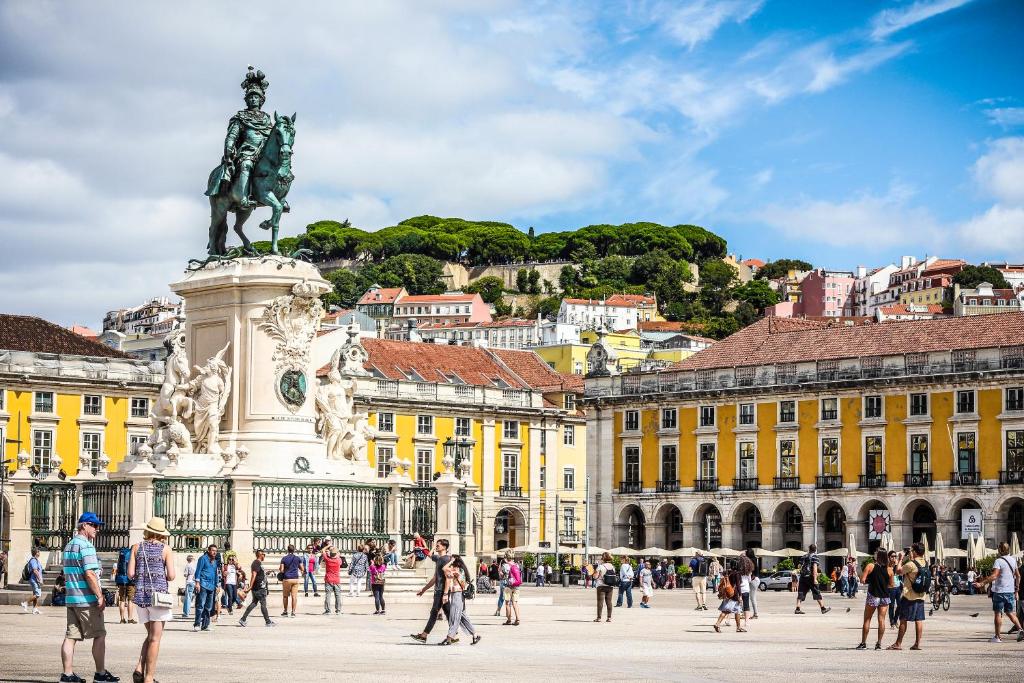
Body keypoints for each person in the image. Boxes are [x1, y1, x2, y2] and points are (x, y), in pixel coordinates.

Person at [60, 512, 119, 683]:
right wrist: (99, 596)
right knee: (99, 634)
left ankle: (67, 674)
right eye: (94, 525)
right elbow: (90, 574)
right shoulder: (86, 546)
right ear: (84, 525)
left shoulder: (69, 546)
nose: (97, 529)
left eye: (97, 526)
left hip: (72, 598)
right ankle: (100, 674)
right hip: (86, 600)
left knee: (70, 637)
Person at [127, 517, 174, 683]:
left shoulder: (135, 548)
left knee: (150, 636)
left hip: (141, 597)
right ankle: (149, 678)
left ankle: (140, 666)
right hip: (158, 599)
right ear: (161, 533)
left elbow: (130, 574)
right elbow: (172, 575)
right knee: (155, 639)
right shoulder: (165, 549)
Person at [973, 541, 1023, 643]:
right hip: (1010, 591)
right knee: (1010, 612)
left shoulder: (998, 561)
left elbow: (994, 575)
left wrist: (982, 583)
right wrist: (1016, 588)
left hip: (1000, 591)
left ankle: (997, 637)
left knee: (998, 613)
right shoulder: (1013, 560)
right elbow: (1018, 576)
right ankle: (1020, 629)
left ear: (1000, 550)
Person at [410, 538, 453, 643]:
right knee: (449, 613)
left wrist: (445, 593)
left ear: (444, 547)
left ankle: (424, 635)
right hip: (439, 590)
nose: (437, 546)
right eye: (437, 545)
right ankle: (454, 635)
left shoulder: (446, 559)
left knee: (435, 612)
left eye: (438, 545)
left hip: (442, 591)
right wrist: (424, 589)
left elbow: (448, 578)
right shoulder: (439, 559)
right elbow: (434, 578)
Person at [889, 542, 928, 650]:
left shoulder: (911, 564)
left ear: (915, 552)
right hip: (921, 596)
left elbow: (898, 571)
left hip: (909, 596)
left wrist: (900, 559)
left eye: (912, 550)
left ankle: (898, 644)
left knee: (903, 619)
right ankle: (917, 644)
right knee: (919, 620)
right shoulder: (925, 562)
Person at [439, 555, 481, 646]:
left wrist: (450, 562)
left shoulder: (456, 570)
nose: (449, 560)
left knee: (455, 617)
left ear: (454, 560)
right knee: (462, 616)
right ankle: (475, 635)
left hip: (457, 595)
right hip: (459, 595)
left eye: (451, 559)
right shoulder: (461, 569)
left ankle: (449, 638)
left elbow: (444, 568)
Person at [856, 549, 894, 650]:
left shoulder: (870, 566)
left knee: (867, 619)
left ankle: (863, 643)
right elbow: (891, 585)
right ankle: (879, 644)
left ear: (878, 555)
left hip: (873, 595)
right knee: (881, 620)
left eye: (875, 553)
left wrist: (871, 580)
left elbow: (862, 580)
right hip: (884, 597)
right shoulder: (890, 569)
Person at [239, 549, 275, 627]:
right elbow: (253, 575)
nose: (264, 556)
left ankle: (243, 619)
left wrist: (266, 573)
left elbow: (259, 574)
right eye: (263, 554)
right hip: (259, 588)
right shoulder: (256, 563)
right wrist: (250, 587)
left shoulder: (258, 563)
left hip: (259, 587)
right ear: (260, 555)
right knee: (263, 604)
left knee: (254, 603)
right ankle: (268, 621)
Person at [794, 543, 831, 615]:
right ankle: (823, 608)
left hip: (803, 577)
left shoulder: (804, 556)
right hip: (810, 577)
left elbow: (799, 566)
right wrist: (815, 579)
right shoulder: (815, 557)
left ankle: (797, 608)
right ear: (815, 549)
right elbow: (814, 568)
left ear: (809, 549)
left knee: (801, 592)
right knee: (816, 592)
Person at [193, 544, 221, 631]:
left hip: (212, 586)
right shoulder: (203, 558)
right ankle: (197, 624)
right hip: (203, 584)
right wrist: (197, 583)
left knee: (209, 607)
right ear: (208, 550)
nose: (214, 552)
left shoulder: (215, 561)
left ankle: (205, 625)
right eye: (213, 550)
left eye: (215, 551)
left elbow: (215, 574)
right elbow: (198, 571)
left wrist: (217, 585)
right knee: (200, 605)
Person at [109, 546, 137, 625]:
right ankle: (130, 618)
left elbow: (117, 567)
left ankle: (122, 619)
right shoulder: (132, 555)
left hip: (121, 580)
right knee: (130, 600)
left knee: (122, 600)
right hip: (130, 580)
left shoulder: (121, 555)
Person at [713, 567, 744, 633]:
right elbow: (738, 585)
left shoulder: (727, 572)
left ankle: (738, 627)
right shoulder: (737, 574)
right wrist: (740, 595)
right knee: (726, 611)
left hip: (727, 593)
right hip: (733, 594)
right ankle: (717, 624)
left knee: (737, 611)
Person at [278, 544, 304, 618]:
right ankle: (293, 612)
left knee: (285, 596)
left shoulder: (284, 558)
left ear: (287, 550)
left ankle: (285, 611)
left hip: (287, 579)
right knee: (294, 596)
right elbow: (302, 568)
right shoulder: (297, 558)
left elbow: (282, 570)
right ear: (294, 550)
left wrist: (281, 569)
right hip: (295, 578)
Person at [592, 552, 616, 622]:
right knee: (609, 602)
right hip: (610, 586)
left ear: (603, 558)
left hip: (601, 586)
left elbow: (595, 576)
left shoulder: (600, 566)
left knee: (600, 602)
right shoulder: (612, 566)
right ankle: (609, 617)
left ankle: (599, 618)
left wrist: (594, 574)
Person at [320, 544, 343, 614]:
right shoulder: (339, 560)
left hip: (328, 579)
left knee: (328, 595)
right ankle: (338, 610)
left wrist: (328, 546)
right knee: (338, 595)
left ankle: (328, 610)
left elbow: (322, 550)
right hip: (336, 580)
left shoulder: (327, 559)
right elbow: (339, 554)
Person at [20, 547, 44, 615]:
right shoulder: (33, 560)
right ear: (36, 553)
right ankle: (26, 603)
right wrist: (40, 579)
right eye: (38, 552)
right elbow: (35, 570)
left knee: (35, 594)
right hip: (34, 580)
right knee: (37, 594)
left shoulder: (36, 560)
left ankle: (35, 609)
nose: (39, 553)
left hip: (35, 579)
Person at [503, 550, 522, 625]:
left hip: (508, 586)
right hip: (516, 586)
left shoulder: (505, 565)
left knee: (507, 603)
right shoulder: (517, 565)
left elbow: (502, 576)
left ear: (506, 557)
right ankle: (517, 619)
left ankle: (509, 620)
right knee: (515, 603)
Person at [738, 551, 755, 625]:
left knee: (735, 605)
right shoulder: (748, 571)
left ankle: (730, 620)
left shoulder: (737, 569)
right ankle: (746, 622)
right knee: (746, 605)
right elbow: (749, 580)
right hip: (745, 588)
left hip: (738, 589)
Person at [887, 551, 902, 629]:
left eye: (895, 556)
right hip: (890, 588)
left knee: (900, 605)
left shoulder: (897, 565)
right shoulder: (887, 566)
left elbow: (899, 573)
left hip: (898, 587)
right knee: (891, 606)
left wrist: (898, 562)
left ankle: (895, 620)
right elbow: (893, 573)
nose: (894, 558)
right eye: (892, 556)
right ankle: (892, 622)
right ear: (889, 557)